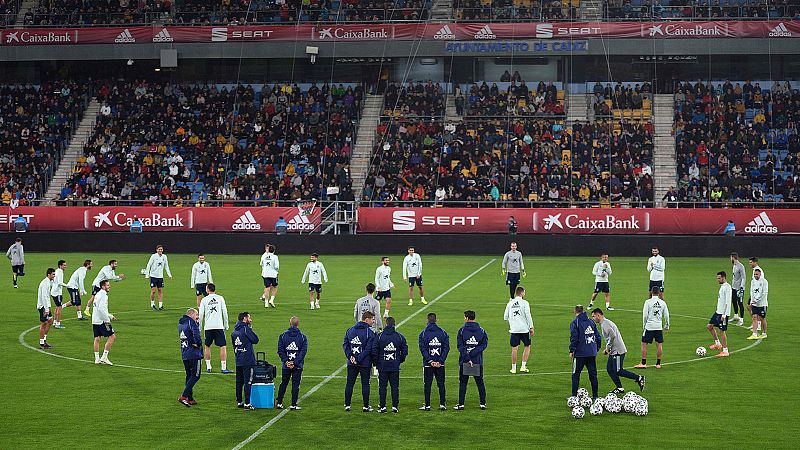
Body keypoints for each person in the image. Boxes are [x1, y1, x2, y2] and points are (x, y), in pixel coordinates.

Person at [591, 308, 645, 394]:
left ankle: (639, 378)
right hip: (613, 350)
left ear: (598, 315)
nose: (593, 318)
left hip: (618, 350)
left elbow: (612, 336)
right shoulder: (605, 323)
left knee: (618, 370)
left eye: (593, 316)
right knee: (609, 369)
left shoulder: (605, 324)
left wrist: (607, 348)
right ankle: (619, 388)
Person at [372, 316, 408, 413]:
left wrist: (376, 363)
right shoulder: (400, 337)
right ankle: (395, 406)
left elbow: (374, 351)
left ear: (386, 324)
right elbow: (404, 351)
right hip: (394, 366)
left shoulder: (379, 336)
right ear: (394, 324)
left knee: (382, 387)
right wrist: (399, 360)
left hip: (382, 366)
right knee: (395, 387)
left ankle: (383, 406)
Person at [343, 311, 377, 412]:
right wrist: (358, 359)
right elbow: (368, 349)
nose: (373, 321)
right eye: (372, 319)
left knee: (349, 383)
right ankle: (366, 406)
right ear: (366, 320)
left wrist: (350, 357)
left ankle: (347, 405)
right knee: (365, 384)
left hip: (351, 363)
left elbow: (345, 345)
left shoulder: (350, 330)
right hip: (365, 363)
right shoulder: (370, 333)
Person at [454, 310, 488, 410]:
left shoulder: (462, 330)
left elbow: (460, 346)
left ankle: (461, 404)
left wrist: (468, 357)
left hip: (465, 361)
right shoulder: (481, 330)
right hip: (477, 361)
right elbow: (483, 345)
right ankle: (482, 404)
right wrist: (473, 354)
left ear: (467, 318)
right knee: (480, 382)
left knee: (463, 383)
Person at [419, 312, 449, 411]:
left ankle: (427, 405)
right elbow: (446, 348)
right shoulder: (443, 333)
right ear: (436, 320)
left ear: (427, 320)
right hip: (440, 364)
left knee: (427, 384)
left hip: (428, 364)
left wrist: (430, 361)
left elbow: (423, 349)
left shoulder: (423, 333)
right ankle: (442, 404)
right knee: (441, 384)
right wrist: (440, 361)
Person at [569, 305, 601, 400]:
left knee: (576, 374)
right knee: (593, 375)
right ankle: (595, 396)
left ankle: (574, 396)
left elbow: (574, 338)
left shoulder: (576, 322)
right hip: (591, 353)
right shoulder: (591, 321)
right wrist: (596, 348)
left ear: (575, 312)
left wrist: (572, 350)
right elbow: (598, 336)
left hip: (580, 354)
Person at [276, 316, 308, 410]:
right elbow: (303, 352)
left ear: (290, 323)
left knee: (283, 383)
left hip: (286, 365)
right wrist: (295, 363)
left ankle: (279, 402)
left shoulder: (282, 336)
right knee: (295, 385)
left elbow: (280, 350)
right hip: (297, 366)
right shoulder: (302, 337)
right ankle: (293, 404)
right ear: (298, 324)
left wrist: (286, 361)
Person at [635, 286, 670, 369]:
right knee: (659, 344)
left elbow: (645, 315)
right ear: (659, 293)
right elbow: (666, 315)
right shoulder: (662, 303)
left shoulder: (648, 302)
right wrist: (667, 325)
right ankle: (658, 364)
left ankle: (643, 363)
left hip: (649, 326)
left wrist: (644, 325)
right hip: (658, 327)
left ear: (651, 292)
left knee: (644, 344)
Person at [199, 283, 231, 374]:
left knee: (207, 346)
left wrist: (199, 326)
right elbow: (224, 312)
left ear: (208, 290)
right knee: (222, 346)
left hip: (208, 327)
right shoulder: (220, 298)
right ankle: (223, 367)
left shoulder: (204, 300)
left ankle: (209, 367)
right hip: (218, 326)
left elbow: (201, 314)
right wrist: (226, 324)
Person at [232, 312, 259, 410]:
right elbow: (256, 340)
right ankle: (247, 403)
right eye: (249, 317)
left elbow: (234, 346)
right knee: (248, 381)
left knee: (239, 382)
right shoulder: (246, 329)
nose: (250, 319)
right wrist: (250, 327)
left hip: (238, 359)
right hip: (248, 360)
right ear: (245, 318)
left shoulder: (234, 331)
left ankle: (239, 402)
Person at [504, 286, 534, 374]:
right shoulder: (525, 303)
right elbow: (528, 315)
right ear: (522, 293)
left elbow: (505, 317)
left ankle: (513, 368)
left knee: (514, 348)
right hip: (524, 329)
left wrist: (513, 321)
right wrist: (531, 327)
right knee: (527, 346)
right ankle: (523, 366)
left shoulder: (510, 303)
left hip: (514, 330)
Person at [178, 308, 203, 407]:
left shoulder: (181, 324)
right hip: (194, 354)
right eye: (196, 315)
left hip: (185, 354)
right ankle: (183, 396)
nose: (197, 317)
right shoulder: (191, 322)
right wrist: (198, 343)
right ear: (191, 314)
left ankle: (190, 398)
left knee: (189, 376)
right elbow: (196, 334)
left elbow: (187, 336)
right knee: (196, 376)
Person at [92, 280, 117, 365]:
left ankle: (97, 359)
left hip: (95, 319)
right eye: (107, 285)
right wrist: (107, 319)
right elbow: (101, 309)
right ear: (103, 286)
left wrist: (110, 315)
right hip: (101, 320)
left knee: (97, 338)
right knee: (112, 336)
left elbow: (97, 307)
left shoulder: (98, 294)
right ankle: (104, 357)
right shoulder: (103, 295)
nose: (109, 286)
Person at [707, 271, 732, 357]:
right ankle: (717, 343)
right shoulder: (722, 287)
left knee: (722, 331)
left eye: (719, 278)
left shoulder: (727, 287)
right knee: (709, 326)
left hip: (723, 314)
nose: (717, 280)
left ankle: (725, 350)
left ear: (723, 277)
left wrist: (724, 315)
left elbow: (728, 302)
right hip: (718, 312)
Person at [145, 245, 172, 311]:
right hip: (153, 276)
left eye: (161, 249)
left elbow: (166, 266)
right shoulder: (153, 256)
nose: (160, 251)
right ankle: (152, 304)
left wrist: (169, 275)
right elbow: (149, 265)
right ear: (156, 250)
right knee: (153, 291)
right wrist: (147, 274)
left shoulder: (164, 257)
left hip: (160, 277)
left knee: (160, 290)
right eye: (159, 249)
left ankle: (160, 305)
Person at [37, 268, 56, 349]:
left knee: (50, 321)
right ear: (49, 274)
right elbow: (44, 296)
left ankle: (44, 339)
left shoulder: (48, 282)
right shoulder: (45, 283)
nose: (54, 276)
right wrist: (46, 309)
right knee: (43, 323)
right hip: (43, 307)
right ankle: (41, 343)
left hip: (46, 306)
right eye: (53, 274)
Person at [747, 268, 768, 340]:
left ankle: (764, 333)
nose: (755, 275)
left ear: (760, 274)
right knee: (754, 317)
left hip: (762, 304)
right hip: (754, 304)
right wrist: (751, 301)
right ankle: (754, 334)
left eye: (757, 274)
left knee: (762, 318)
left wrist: (757, 300)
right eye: (754, 274)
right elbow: (751, 292)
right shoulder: (753, 281)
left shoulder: (764, 282)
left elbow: (764, 293)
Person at [748, 257, 765, 332]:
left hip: (757, 294)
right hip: (754, 293)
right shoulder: (755, 270)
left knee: (750, 307)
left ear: (755, 262)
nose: (750, 264)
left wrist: (756, 297)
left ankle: (757, 324)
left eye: (751, 262)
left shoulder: (759, 271)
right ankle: (755, 323)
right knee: (749, 307)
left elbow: (761, 283)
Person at [51, 260, 69, 329]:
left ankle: (54, 322)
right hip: (57, 293)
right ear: (60, 266)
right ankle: (58, 323)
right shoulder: (60, 272)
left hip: (53, 291)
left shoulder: (56, 271)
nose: (65, 266)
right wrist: (68, 285)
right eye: (64, 265)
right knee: (59, 308)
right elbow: (60, 283)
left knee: (57, 307)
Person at [730, 253, 746, 326]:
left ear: (733, 257)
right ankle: (736, 316)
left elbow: (743, 277)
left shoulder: (741, 266)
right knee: (734, 301)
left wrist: (741, 288)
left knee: (740, 303)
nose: (730, 259)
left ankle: (741, 319)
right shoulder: (734, 265)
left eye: (730, 257)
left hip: (739, 289)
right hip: (733, 287)